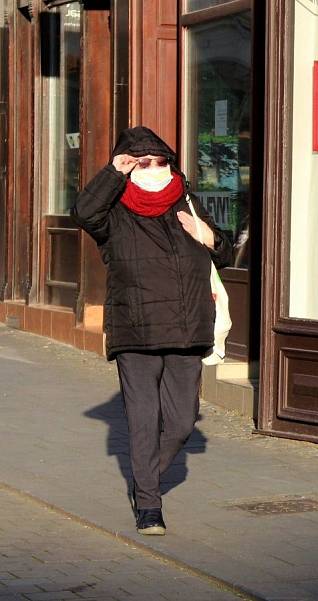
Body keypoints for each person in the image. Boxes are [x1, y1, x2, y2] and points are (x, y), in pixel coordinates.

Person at [71, 126, 233, 535]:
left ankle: (146, 479)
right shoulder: (114, 209)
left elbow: (226, 252)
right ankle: (148, 505)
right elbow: (83, 213)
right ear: (128, 166)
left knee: (181, 422)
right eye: (142, 162)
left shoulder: (187, 199)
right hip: (136, 329)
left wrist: (208, 236)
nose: (154, 169)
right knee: (143, 420)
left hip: (187, 327)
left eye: (161, 161)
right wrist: (113, 172)